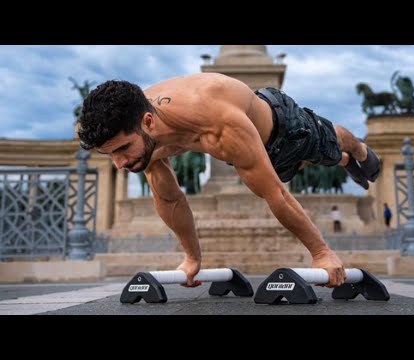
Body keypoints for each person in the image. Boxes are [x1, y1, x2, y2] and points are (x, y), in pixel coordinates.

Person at [77, 73, 381, 288]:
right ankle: (341, 160)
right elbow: (170, 199)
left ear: (148, 122)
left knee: (326, 144)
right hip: (244, 149)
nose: (119, 164)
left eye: (122, 150)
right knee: (299, 166)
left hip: (282, 130)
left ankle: (356, 150)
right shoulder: (137, 126)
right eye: (110, 156)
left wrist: (322, 253)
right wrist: (192, 259)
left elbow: (275, 193)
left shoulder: (215, 121)